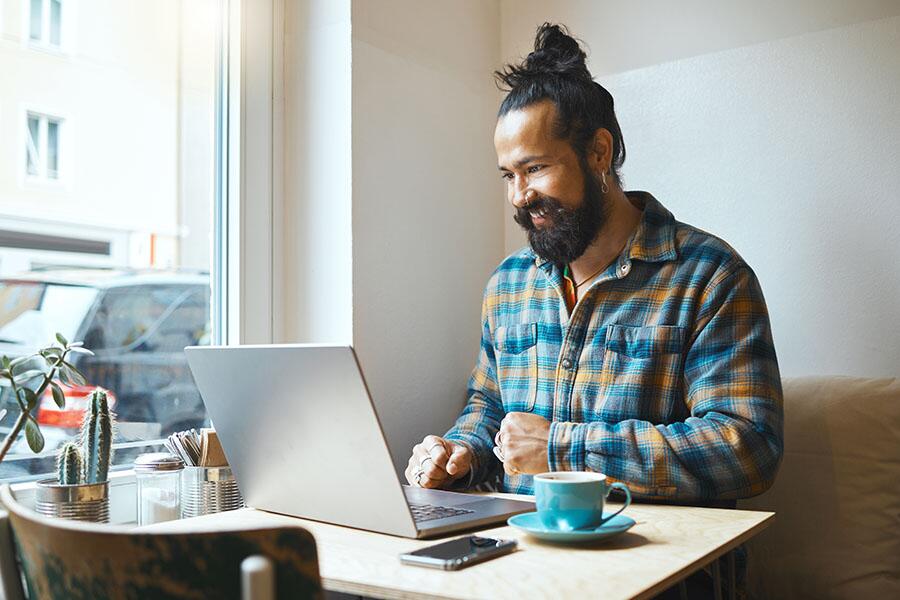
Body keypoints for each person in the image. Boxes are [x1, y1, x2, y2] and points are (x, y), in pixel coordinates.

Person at [405, 23, 783, 506]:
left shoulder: (710, 278)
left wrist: (562, 449)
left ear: (599, 152)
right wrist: (458, 452)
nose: (520, 196)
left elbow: (748, 446)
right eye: (509, 175)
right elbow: (490, 406)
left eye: (536, 168)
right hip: (518, 558)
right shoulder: (509, 284)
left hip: (656, 566)